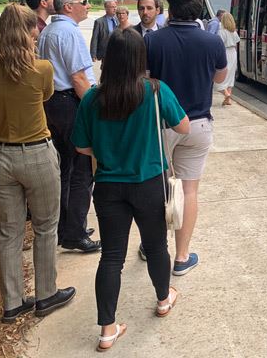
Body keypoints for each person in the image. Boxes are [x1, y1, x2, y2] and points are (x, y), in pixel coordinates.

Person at [72, 29, 190, 351]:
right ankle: (164, 299)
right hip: (149, 183)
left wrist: (108, 149)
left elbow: (81, 147)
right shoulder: (155, 91)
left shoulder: (93, 98)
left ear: (109, 59)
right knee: (155, 248)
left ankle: (107, 329)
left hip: (109, 187)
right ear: (140, 59)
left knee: (111, 257)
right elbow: (184, 126)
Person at [0, 3, 75, 323]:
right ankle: (46, 294)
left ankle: (12, 301)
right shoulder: (42, 68)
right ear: (31, 31)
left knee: (9, 231)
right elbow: (45, 98)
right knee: (46, 227)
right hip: (36, 152)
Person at [140, 0, 227, 275]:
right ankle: (181, 257)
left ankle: (151, 247)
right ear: (198, 9)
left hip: (161, 124)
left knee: (157, 189)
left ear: (170, 8)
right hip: (198, 124)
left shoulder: (152, 41)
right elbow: (220, 78)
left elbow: (143, 80)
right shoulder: (212, 42)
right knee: (189, 191)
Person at [37, 0, 101, 253]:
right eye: (84, 2)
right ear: (68, 7)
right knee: (82, 169)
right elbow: (78, 78)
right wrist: (92, 110)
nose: (88, 5)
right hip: (70, 103)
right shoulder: (69, 32)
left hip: (53, 104)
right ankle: (74, 232)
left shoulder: (49, 31)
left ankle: (66, 226)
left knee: (65, 169)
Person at [217, 11, 240, 106]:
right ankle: (228, 98)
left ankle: (225, 93)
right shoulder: (234, 32)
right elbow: (236, 43)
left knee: (220, 77)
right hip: (233, 53)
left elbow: (219, 45)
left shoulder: (221, 32)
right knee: (230, 75)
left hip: (225, 52)